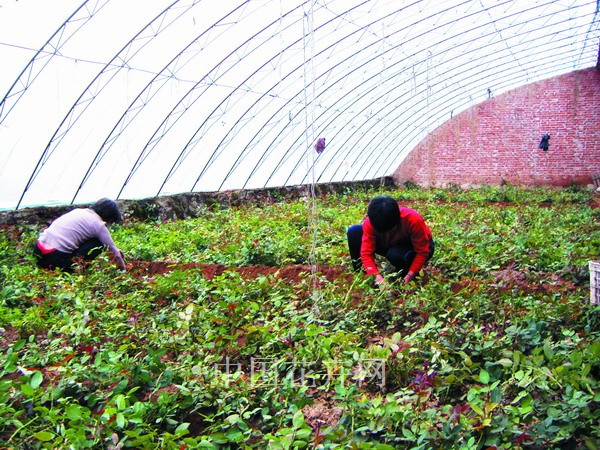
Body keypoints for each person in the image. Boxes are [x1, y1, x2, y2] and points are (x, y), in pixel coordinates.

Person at [347, 196, 434, 285]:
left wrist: (410, 275)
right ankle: (362, 273)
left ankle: (408, 272)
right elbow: (366, 253)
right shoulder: (371, 223)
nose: (386, 233)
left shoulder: (413, 220)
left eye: (389, 230)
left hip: (415, 247)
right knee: (354, 231)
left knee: (394, 254)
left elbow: (422, 251)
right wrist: (376, 275)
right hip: (389, 244)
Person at [33, 198, 126, 272]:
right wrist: (123, 271)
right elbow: (114, 252)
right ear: (109, 217)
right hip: (55, 258)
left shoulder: (79, 211)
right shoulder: (98, 224)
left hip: (38, 252)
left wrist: (115, 251)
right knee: (99, 243)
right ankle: (76, 269)